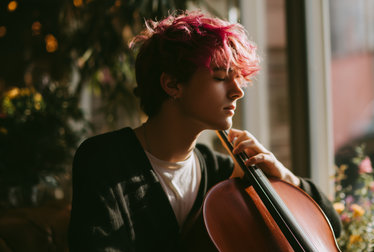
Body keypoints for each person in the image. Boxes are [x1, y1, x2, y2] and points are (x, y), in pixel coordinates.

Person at [68, 10, 342, 251]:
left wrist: (284, 177)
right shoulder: (103, 160)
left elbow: (331, 224)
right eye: (221, 78)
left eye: (238, 79)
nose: (237, 92)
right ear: (173, 85)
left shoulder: (222, 174)